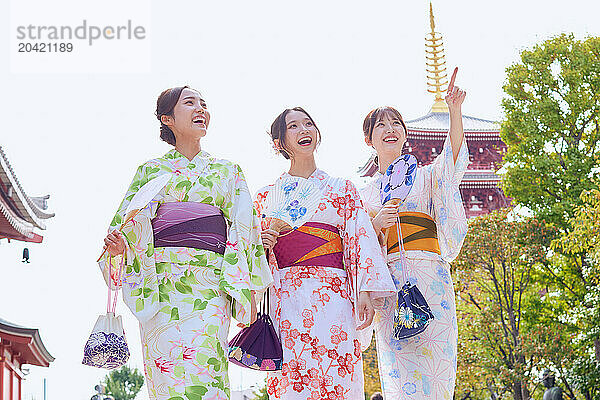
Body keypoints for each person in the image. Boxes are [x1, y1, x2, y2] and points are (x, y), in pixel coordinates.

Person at [99, 86, 273, 400]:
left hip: (210, 285)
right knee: (166, 376)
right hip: (161, 287)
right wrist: (120, 247)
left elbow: (245, 229)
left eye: (204, 104)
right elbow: (129, 224)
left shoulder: (228, 171)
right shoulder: (151, 171)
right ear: (168, 119)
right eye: (190, 103)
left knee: (207, 370)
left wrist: (237, 280)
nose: (200, 109)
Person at [255, 107, 396, 400]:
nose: (304, 130)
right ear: (279, 142)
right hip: (286, 295)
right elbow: (251, 254)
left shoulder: (341, 189)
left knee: (337, 375)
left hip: (333, 294)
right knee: (293, 379)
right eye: (293, 126)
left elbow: (359, 239)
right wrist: (263, 244)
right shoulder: (265, 196)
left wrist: (365, 291)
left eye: (308, 124)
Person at [359, 68, 469, 398]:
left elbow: (451, 163)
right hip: (390, 285)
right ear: (370, 139)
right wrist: (377, 224)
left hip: (430, 275)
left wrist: (454, 111)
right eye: (381, 125)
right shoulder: (362, 195)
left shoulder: (426, 176)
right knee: (399, 374)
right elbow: (358, 246)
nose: (389, 129)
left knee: (438, 367)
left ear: (406, 133)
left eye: (396, 124)